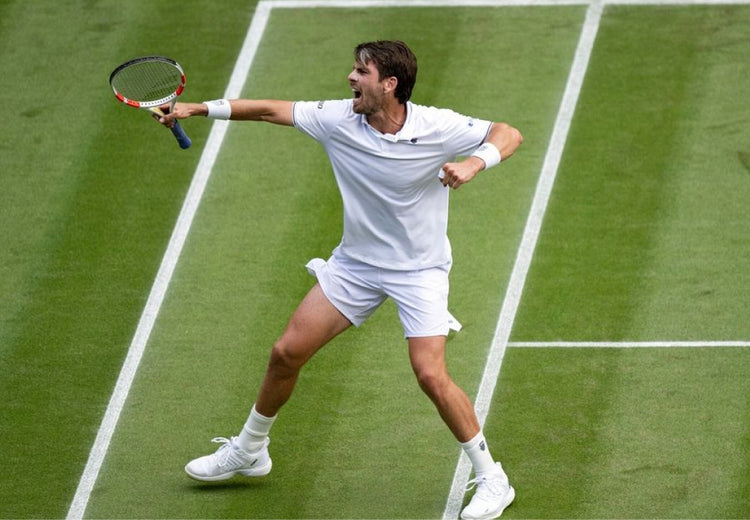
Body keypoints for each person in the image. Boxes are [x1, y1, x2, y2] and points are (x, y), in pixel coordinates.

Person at [159, 40, 522, 520]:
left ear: (389, 84)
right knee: (285, 353)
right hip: (356, 265)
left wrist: (475, 163)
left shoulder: (437, 125)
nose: (351, 78)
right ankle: (250, 449)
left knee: (431, 374)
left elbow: (507, 133)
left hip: (419, 271)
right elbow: (270, 110)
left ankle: (493, 480)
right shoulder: (337, 118)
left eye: (361, 72)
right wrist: (198, 108)